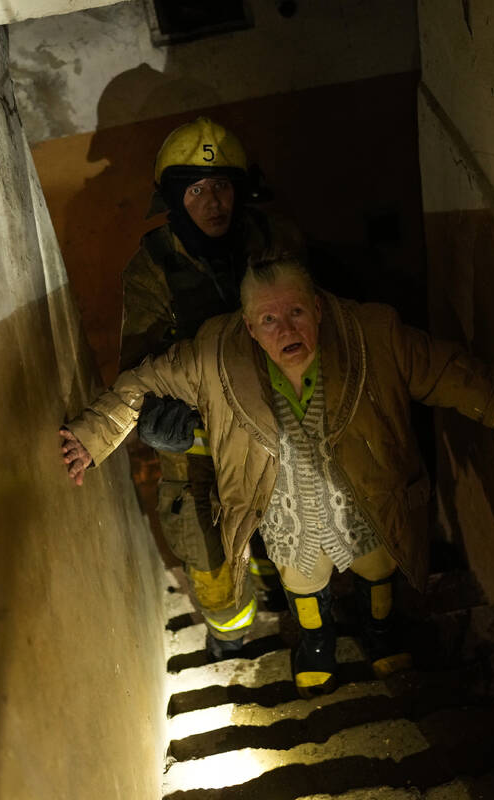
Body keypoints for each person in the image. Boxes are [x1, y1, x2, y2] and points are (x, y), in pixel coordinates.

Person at [59, 255, 494, 697]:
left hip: (362, 494)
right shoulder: (215, 354)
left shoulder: (373, 335)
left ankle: (380, 630)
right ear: (250, 328)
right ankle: (316, 643)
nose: (286, 330)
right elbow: (143, 382)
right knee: (302, 574)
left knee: (374, 562)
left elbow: (447, 371)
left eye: (296, 312)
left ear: (318, 308)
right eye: (269, 320)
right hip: (285, 507)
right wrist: (92, 435)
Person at [114, 117, 301, 661]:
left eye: (222, 186)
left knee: (289, 525)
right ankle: (231, 639)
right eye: (196, 190)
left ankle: (294, 606)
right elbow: (137, 373)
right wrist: (174, 424)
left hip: (280, 432)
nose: (213, 202)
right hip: (199, 452)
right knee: (212, 557)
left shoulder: (275, 241)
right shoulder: (152, 269)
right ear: (174, 199)